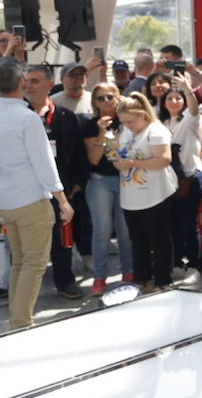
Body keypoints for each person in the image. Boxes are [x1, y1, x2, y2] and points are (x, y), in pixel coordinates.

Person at [0, 59, 75, 327]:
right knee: (32, 264)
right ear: (20, 82)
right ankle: (21, 322)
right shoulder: (26, 118)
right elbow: (44, 164)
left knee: (20, 261)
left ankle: (17, 318)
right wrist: (63, 201)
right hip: (31, 200)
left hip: (7, 201)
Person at [23, 64, 87, 299]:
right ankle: (24, 290)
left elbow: (79, 154)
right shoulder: (19, 115)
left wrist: (78, 183)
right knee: (27, 244)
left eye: (35, 81)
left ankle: (65, 282)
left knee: (62, 240)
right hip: (27, 191)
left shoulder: (65, 116)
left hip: (60, 189)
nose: (29, 85)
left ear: (50, 84)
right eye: (26, 80)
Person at [112, 92, 177, 292]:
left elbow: (164, 159)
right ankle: (142, 279)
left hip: (155, 194)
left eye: (130, 121)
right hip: (131, 195)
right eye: (123, 122)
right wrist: (118, 162)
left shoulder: (156, 130)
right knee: (137, 241)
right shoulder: (126, 131)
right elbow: (119, 153)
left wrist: (133, 163)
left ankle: (162, 280)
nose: (127, 125)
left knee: (159, 240)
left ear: (143, 114)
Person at [82, 81, 134, 295]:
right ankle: (99, 277)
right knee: (101, 231)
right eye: (100, 98)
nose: (106, 101)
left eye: (110, 96)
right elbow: (93, 160)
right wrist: (102, 133)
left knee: (125, 231)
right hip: (99, 181)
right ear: (94, 102)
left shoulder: (128, 121)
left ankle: (128, 272)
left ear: (118, 97)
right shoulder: (89, 124)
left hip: (126, 179)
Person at [160, 84, 202, 274]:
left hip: (190, 178)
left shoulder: (190, 119)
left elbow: (194, 109)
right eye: (169, 98)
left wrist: (187, 88)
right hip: (167, 181)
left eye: (178, 98)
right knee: (173, 225)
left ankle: (194, 264)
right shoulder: (159, 123)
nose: (174, 101)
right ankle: (177, 262)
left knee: (188, 224)